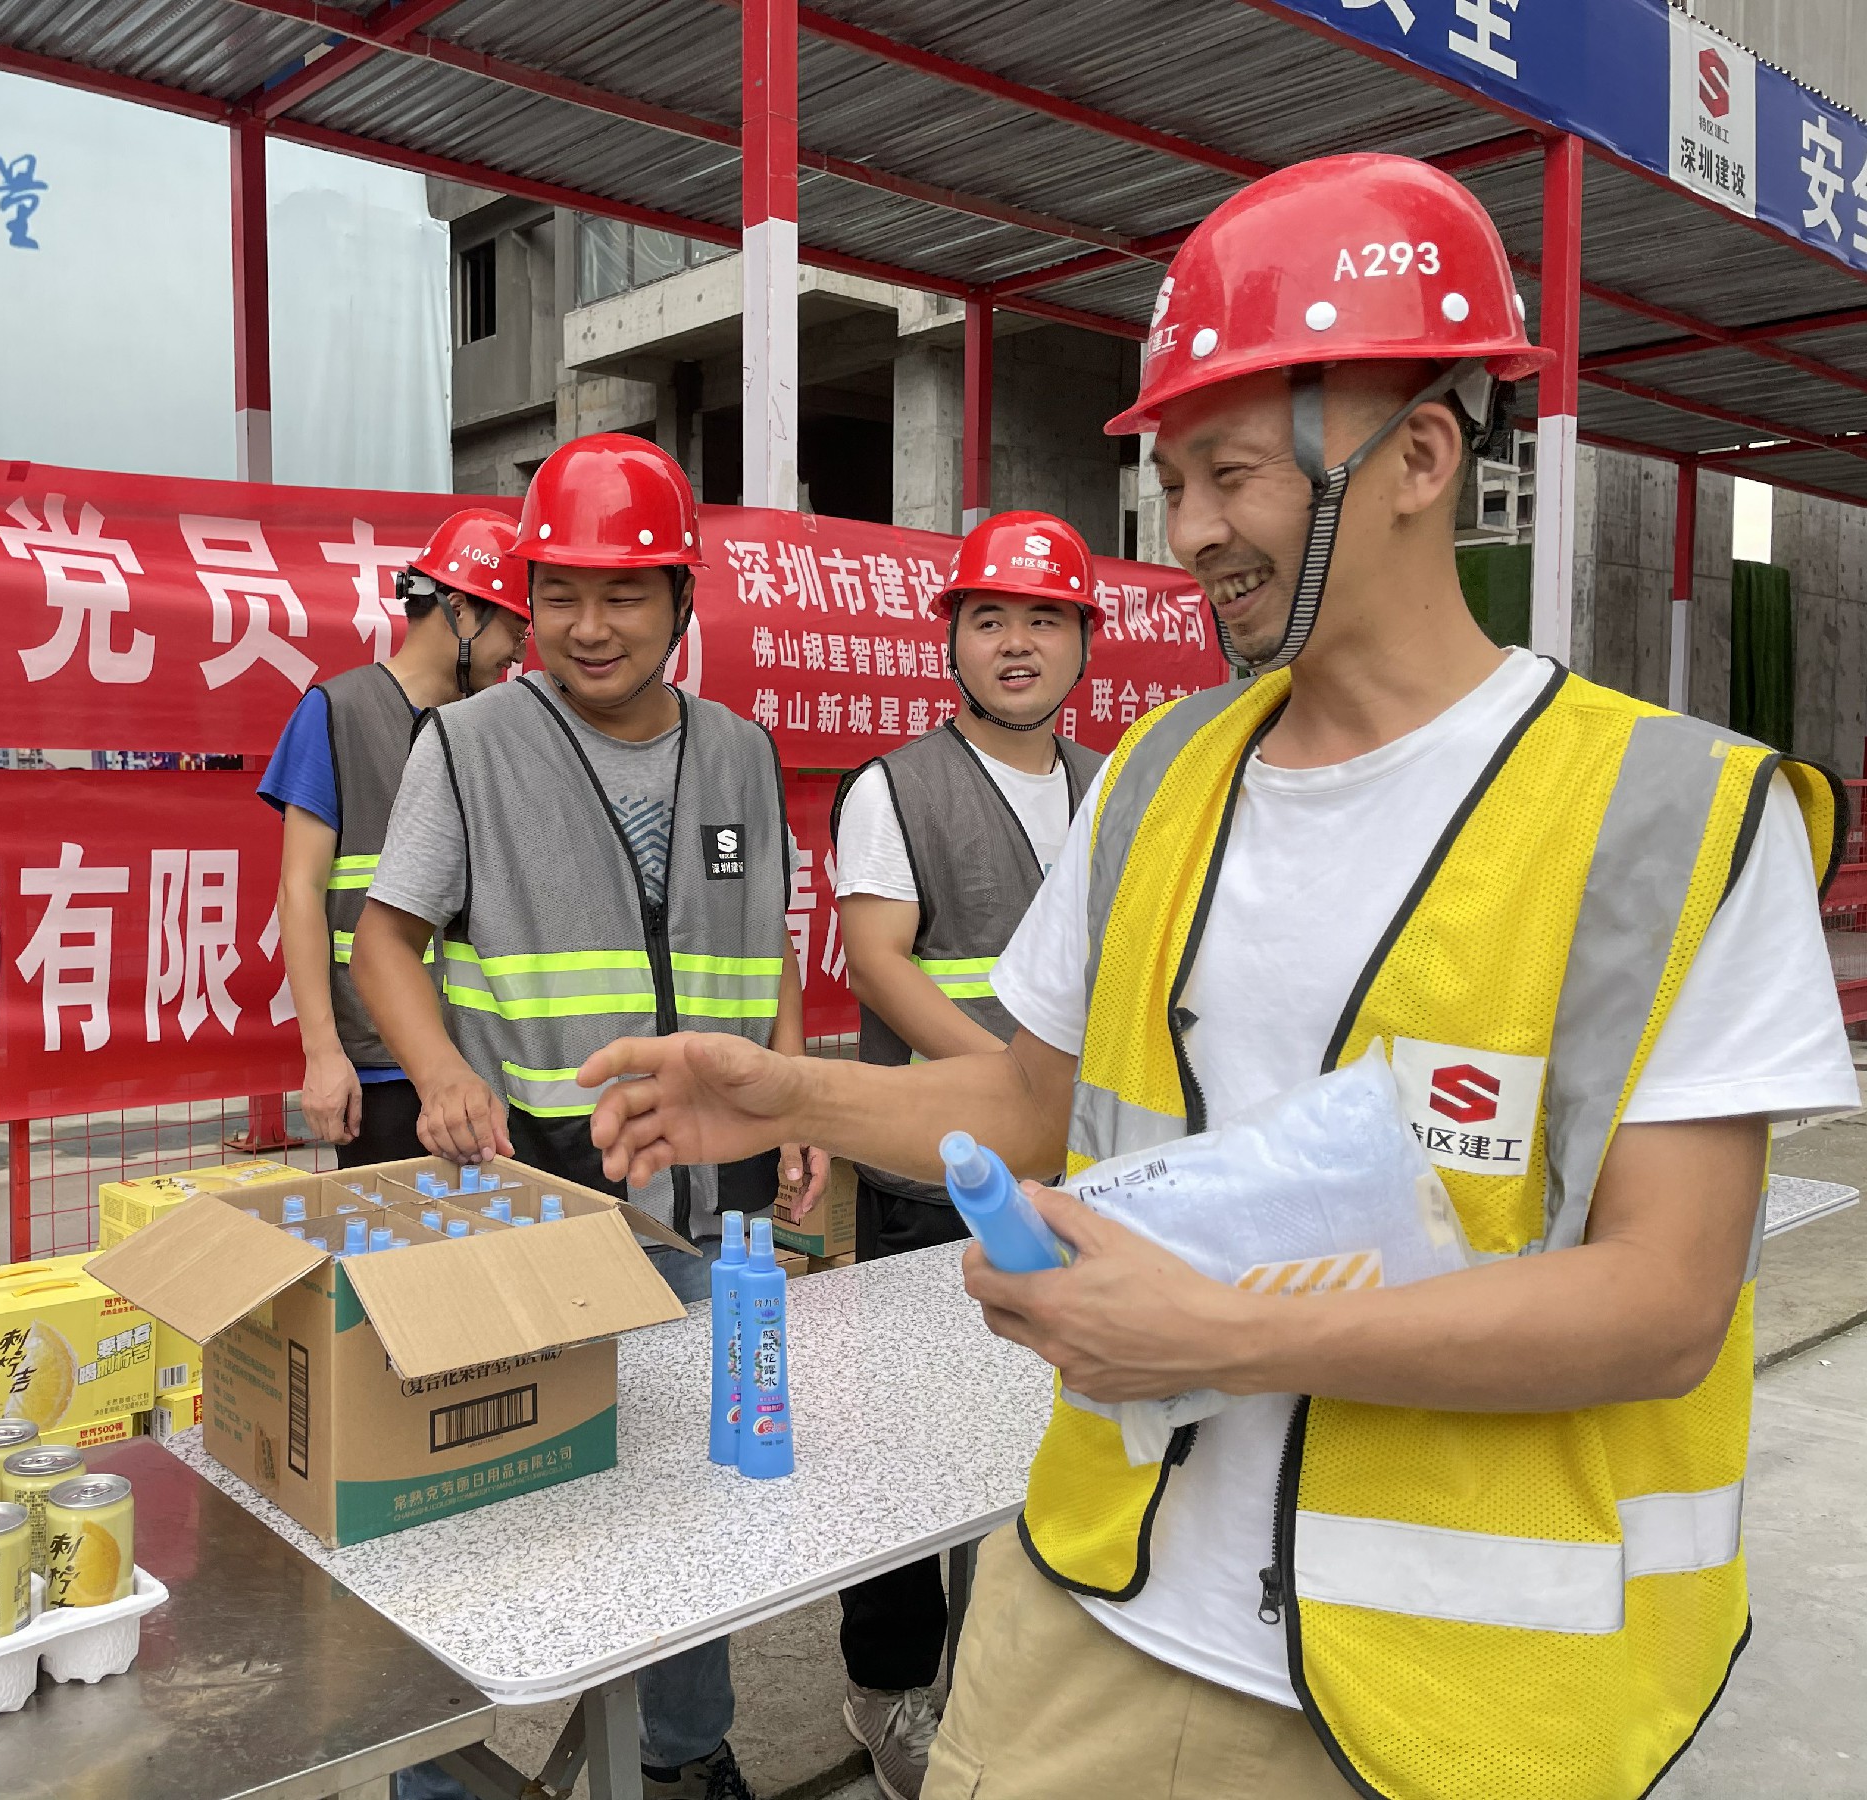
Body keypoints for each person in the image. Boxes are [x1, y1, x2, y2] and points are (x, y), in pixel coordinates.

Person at [578, 153, 1856, 1800]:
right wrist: (787, 1094)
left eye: (1230, 474)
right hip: (1095, 1599)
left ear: (1419, 455)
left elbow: (1666, 1302)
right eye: (1170, 480)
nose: (1185, 533)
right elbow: (1030, 1104)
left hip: (1445, 1696)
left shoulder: (1677, 820)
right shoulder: (1159, 777)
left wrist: (1220, 1333)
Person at [352, 432, 826, 1800]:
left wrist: (797, 1087)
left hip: (712, 1206)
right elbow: (384, 942)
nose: (589, 625)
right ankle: (439, 1776)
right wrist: (442, 1074)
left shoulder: (741, 752)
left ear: (683, 598)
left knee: (692, 1491)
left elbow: (766, 942)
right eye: (558, 593)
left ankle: (685, 1753)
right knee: (494, 1503)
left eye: (625, 592)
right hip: (540, 1198)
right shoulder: (468, 746)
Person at [823, 510, 1103, 1800]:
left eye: (1044, 618)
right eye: (990, 619)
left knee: (1039, 1443)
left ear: (1083, 641)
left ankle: (1005, 1690)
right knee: (908, 1455)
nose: (1017, 643)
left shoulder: (1117, 784)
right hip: (934, 1179)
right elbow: (881, 960)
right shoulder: (897, 788)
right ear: (952, 642)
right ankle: (887, 1688)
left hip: (1076, 1181)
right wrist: (1011, 1089)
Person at [262, 506, 529, 1163]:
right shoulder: (338, 713)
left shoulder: (502, 727)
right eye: (515, 626)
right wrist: (322, 1053)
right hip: (383, 1068)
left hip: (491, 1060)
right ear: (461, 610)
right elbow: (299, 891)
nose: (521, 651)